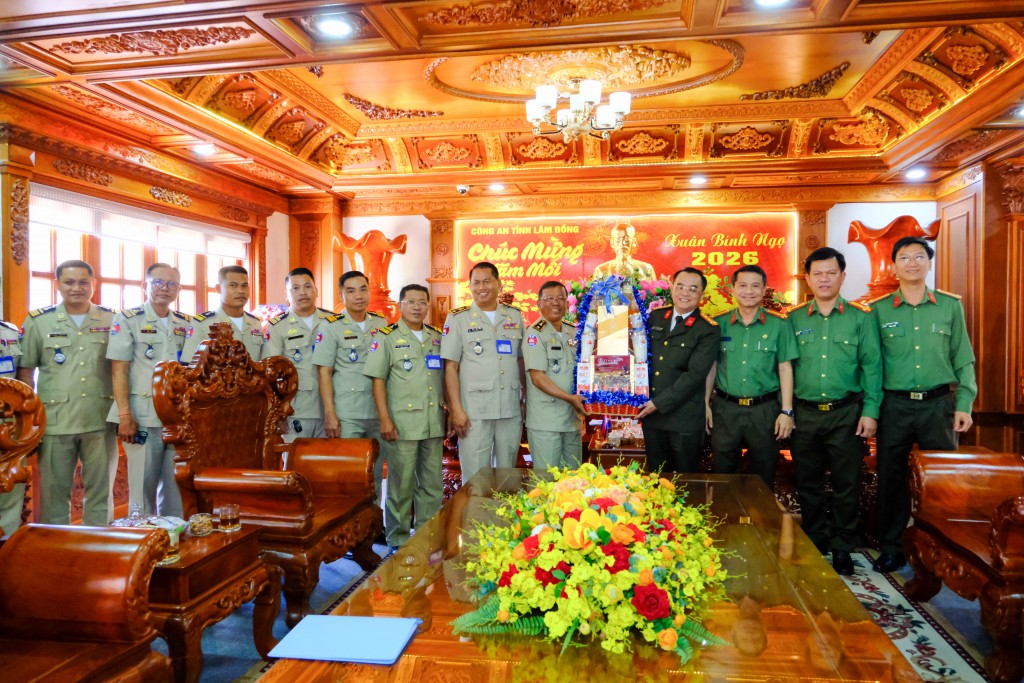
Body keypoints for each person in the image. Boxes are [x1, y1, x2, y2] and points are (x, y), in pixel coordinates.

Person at [870, 236, 976, 573]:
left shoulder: (949, 306)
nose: (912, 263)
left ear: (929, 263)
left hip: (938, 404)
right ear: (894, 265)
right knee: (891, 477)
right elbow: (873, 365)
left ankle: (943, 549)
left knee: (943, 481)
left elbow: (964, 359)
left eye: (919, 257)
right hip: (895, 405)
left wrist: (965, 403)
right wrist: (872, 410)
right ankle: (891, 547)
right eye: (904, 258)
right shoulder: (879, 309)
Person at [786, 247, 882, 576]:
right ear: (808, 279)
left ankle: (842, 545)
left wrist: (870, 412)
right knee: (807, 482)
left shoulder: (861, 317)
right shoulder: (794, 318)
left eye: (831, 273)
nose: (824, 279)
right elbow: (784, 369)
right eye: (817, 274)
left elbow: (872, 367)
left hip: (847, 413)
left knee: (847, 483)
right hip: (805, 413)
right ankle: (815, 539)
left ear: (842, 276)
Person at [17, 259, 117, 525]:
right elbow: (25, 373)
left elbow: (121, 370)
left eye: (84, 282)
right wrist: (30, 422)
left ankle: (98, 546)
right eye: (69, 282)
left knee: (101, 492)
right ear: (58, 285)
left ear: (94, 284)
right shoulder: (39, 321)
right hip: (54, 421)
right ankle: (57, 548)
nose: (77, 288)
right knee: (53, 494)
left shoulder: (111, 319)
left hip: (100, 418)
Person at [106, 263, 191, 517]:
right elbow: (118, 370)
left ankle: (172, 540)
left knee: (176, 485)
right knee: (142, 489)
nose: (164, 288)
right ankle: (142, 542)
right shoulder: (128, 319)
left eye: (171, 284)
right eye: (158, 282)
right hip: (142, 416)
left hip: (177, 418)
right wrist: (124, 416)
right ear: (145, 285)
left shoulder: (184, 323)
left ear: (179, 289)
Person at [363, 284, 445, 548]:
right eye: (411, 302)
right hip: (402, 425)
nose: (417, 307)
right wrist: (385, 420)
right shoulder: (386, 337)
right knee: (401, 486)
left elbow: (442, 379)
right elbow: (377, 381)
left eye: (422, 302)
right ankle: (397, 539)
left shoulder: (435, 337)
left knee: (432, 485)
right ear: (401, 306)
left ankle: (425, 535)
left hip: (433, 423)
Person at [709, 264, 797, 491]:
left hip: (764, 410)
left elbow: (785, 368)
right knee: (723, 473)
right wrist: (705, 405)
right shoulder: (718, 324)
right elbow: (711, 367)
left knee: (764, 473)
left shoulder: (779, 324)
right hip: (725, 409)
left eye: (755, 286)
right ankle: (725, 524)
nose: (749, 291)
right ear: (732, 289)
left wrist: (786, 411)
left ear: (765, 289)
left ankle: (763, 525)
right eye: (743, 285)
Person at [441, 262, 524, 484]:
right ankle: (475, 519)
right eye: (475, 283)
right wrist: (455, 409)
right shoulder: (458, 318)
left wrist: (524, 400)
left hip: (509, 409)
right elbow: (450, 367)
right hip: (473, 412)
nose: (481, 287)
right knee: (475, 480)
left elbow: (521, 360)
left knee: (507, 477)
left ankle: (503, 520)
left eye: (487, 281)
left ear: (499, 284)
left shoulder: (515, 317)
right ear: (470, 286)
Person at [312, 271, 388, 503]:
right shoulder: (331, 326)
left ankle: (374, 524)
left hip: (376, 411)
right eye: (351, 290)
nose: (358, 296)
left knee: (374, 473)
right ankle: (350, 531)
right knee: (350, 474)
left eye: (363, 289)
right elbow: (324, 372)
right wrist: (330, 414)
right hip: (348, 413)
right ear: (341, 294)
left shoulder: (381, 323)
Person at [636, 268, 719, 473]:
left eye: (693, 289)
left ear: (702, 295)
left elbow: (695, 376)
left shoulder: (707, 329)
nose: (685, 293)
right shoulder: (655, 317)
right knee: (656, 479)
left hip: (685, 419)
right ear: (672, 289)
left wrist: (658, 403)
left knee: (686, 482)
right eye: (680, 286)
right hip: (653, 418)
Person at [523, 281, 586, 475]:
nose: (555, 303)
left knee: (574, 480)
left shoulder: (573, 331)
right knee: (546, 482)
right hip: (546, 422)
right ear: (539, 303)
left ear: (567, 303)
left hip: (571, 419)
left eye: (560, 298)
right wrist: (570, 398)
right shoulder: (535, 334)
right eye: (549, 299)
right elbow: (537, 378)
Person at [265, 268, 333, 441]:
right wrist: (277, 413)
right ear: (286, 295)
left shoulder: (332, 322)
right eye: (295, 288)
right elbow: (271, 374)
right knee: (295, 463)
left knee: (329, 463)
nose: (302, 292)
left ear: (316, 290)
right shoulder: (278, 326)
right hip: (296, 410)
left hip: (331, 408)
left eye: (307, 286)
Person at [181, 265, 264, 362]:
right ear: (218, 288)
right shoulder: (202, 323)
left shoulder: (255, 323)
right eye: (233, 285)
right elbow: (189, 365)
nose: (240, 291)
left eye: (244, 286)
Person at [0, 319, 25, 535]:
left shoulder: (10, 332)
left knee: (10, 491)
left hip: (9, 427)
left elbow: (23, 381)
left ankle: (6, 553)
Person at [592, 222, 656, 280]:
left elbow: (653, 291)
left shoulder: (646, 269)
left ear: (634, 242)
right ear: (612, 243)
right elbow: (595, 292)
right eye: (618, 239)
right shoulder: (601, 269)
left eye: (626, 239)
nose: (622, 243)